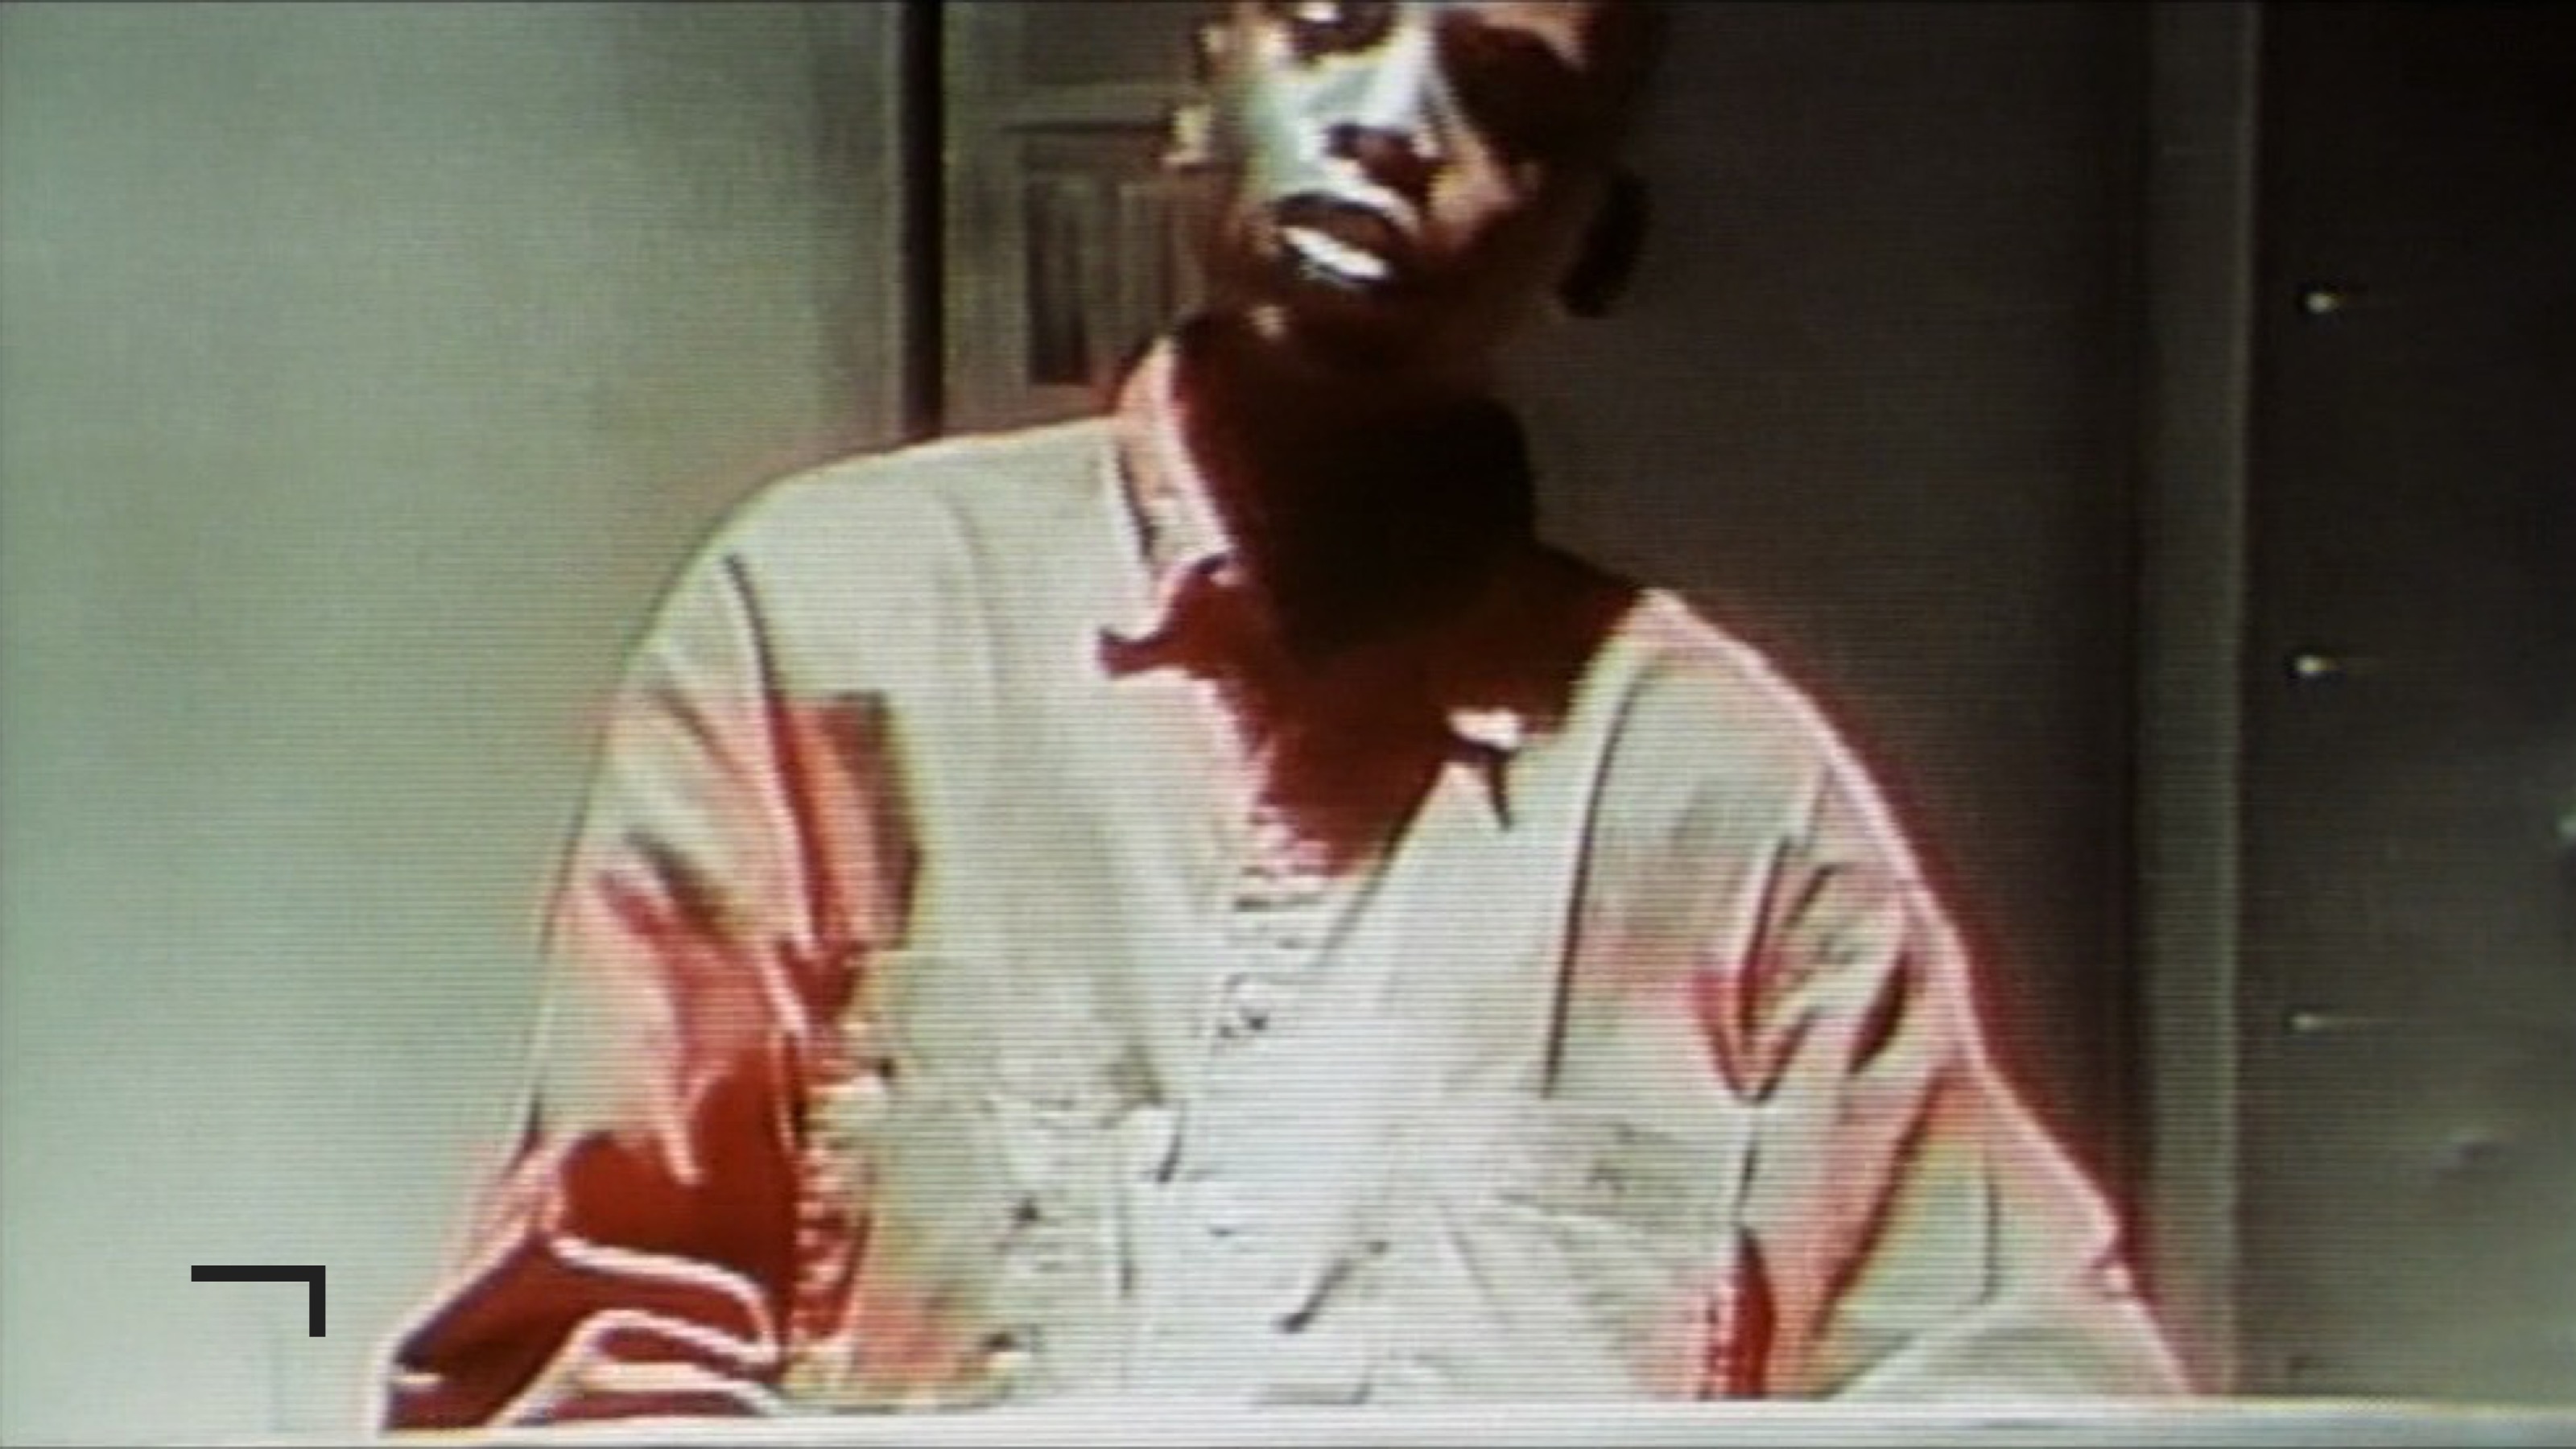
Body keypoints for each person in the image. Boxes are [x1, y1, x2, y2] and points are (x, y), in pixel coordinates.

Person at [379, 0, 2187, 1426]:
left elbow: (2025, 1394)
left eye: (1506, 98)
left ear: (1592, 240)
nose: (1393, 122)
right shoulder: (839, 630)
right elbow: (585, 1363)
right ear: (1203, 87)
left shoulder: (1724, 804)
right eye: (1332, 24)